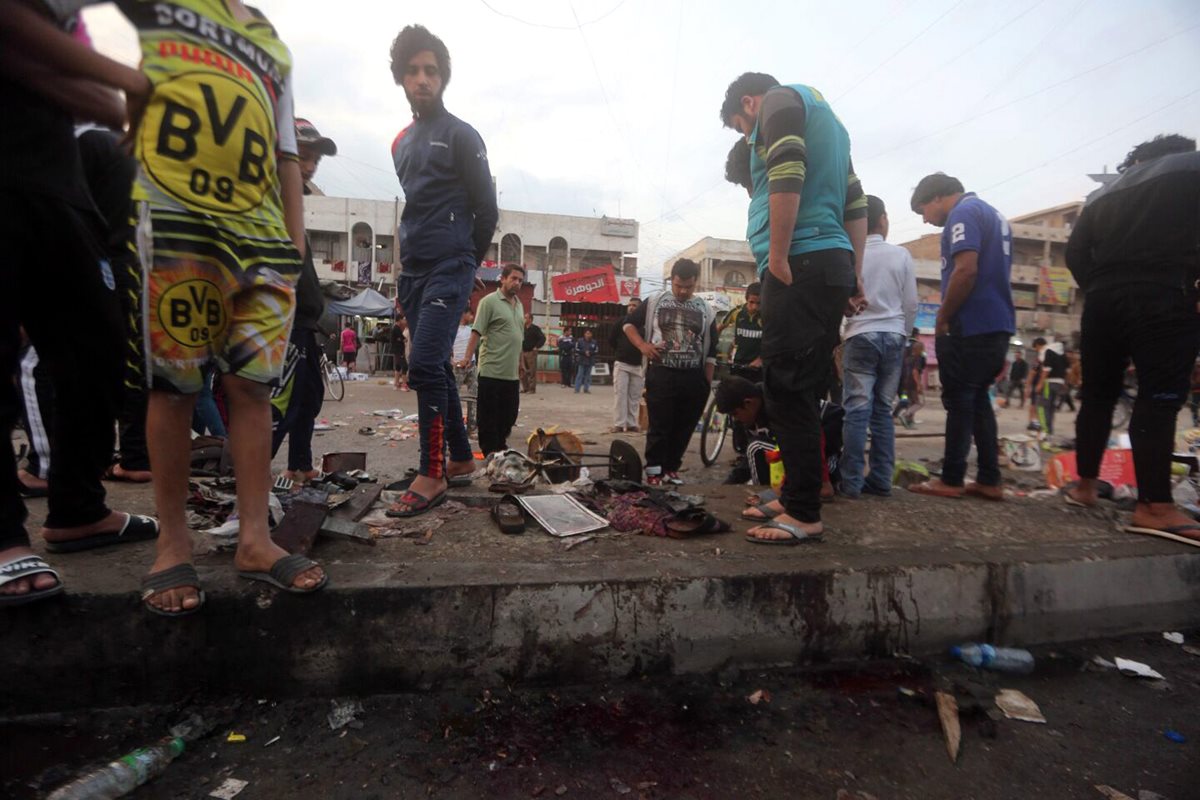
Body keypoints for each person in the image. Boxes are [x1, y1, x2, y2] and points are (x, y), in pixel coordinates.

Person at [13, 0, 331, 611]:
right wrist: (129, 83)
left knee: (253, 388)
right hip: (174, 215)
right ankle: (173, 546)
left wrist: (294, 244)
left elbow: (286, 151)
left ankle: (256, 540)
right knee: (174, 383)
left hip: (259, 231)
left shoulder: (268, 37)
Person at [720, 72, 867, 541]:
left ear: (748, 103)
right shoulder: (832, 124)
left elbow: (787, 165)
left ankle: (804, 512)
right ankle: (795, 495)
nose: (751, 138)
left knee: (784, 389)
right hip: (827, 259)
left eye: (744, 127)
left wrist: (778, 253)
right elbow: (856, 202)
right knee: (799, 385)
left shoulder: (779, 102)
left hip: (799, 260)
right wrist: (855, 272)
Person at [1063, 133, 1200, 543]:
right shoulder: (1192, 167)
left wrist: (1101, 286)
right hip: (1165, 294)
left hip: (1102, 301)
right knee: (1158, 398)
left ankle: (1084, 487)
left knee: (1098, 396)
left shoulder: (1102, 193)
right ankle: (1155, 506)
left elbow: (1073, 253)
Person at [388, 24, 498, 515]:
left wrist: (465, 261)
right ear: (401, 78)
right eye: (413, 71)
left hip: (451, 265)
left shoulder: (461, 135)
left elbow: (487, 210)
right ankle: (458, 458)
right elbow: (414, 204)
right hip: (412, 270)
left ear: (443, 77)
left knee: (423, 365)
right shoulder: (400, 143)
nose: (422, 79)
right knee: (436, 368)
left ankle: (430, 473)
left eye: (431, 70)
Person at [906, 173, 1015, 502]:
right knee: (979, 399)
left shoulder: (963, 214)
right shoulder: (992, 213)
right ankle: (988, 478)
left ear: (938, 197)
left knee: (958, 400)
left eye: (924, 209)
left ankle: (952, 478)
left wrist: (943, 315)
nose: (926, 219)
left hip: (971, 323)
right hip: (997, 322)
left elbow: (966, 269)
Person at [271, 118, 338, 483]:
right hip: (286, 323)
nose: (310, 166)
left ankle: (300, 465)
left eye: (315, 159)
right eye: (303, 156)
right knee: (282, 405)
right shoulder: (271, 203)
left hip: (306, 326)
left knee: (308, 400)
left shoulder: (292, 205)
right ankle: (248, 479)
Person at [839, 195, 917, 499]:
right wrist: (904, 335)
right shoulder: (901, 255)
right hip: (894, 335)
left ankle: (852, 483)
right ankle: (882, 480)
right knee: (883, 411)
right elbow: (910, 303)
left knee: (856, 410)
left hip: (860, 335)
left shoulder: (850, 256)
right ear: (882, 219)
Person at [623, 258, 718, 485]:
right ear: (671, 281)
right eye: (678, 286)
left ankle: (671, 468)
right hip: (662, 374)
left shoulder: (706, 310)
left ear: (696, 283)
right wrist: (643, 346)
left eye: (688, 287)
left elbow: (712, 349)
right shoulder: (656, 301)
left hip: (694, 377)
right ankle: (654, 471)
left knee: (684, 425)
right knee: (660, 424)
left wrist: (706, 382)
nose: (683, 291)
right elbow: (628, 325)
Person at [459, 265, 525, 455]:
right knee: (489, 415)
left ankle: (500, 445)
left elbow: (519, 336)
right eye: (513, 278)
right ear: (502, 279)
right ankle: (490, 451)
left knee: (509, 414)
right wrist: (466, 358)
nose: (517, 283)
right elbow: (476, 331)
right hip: (492, 369)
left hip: (511, 373)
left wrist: (521, 363)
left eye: (520, 280)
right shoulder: (489, 302)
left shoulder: (519, 305)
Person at [717, 282, 764, 483]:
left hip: (757, 369)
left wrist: (761, 359)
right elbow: (719, 328)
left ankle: (755, 449)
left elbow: (773, 340)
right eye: (751, 302)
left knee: (752, 411)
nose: (753, 307)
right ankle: (740, 451)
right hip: (738, 366)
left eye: (758, 303)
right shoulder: (737, 313)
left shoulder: (767, 318)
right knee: (736, 413)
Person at [609, 298, 644, 433]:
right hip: (622, 364)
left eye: (634, 305)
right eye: (629, 305)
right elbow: (611, 339)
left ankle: (631, 424)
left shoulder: (644, 325)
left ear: (640, 309)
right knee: (620, 394)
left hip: (638, 366)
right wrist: (621, 351)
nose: (631, 307)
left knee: (634, 396)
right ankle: (619, 424)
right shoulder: (621, 322)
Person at [1030, 337, 1068, 436]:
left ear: (1038, 345)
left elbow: (1046, 369)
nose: (1038, 352)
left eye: (1036, 349)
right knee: (1051, 408)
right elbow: (1067, 369)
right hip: (1058, 383)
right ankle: (1049, 431)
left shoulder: (1047, 351)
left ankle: (1044, 432)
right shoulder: (1061, 352)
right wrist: (1064, 383)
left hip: (1048, 383)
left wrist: (1039, 384)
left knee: (1042, 407)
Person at [897, 340, 926, 428]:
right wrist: (919, 384)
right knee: (919, 403)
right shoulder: (919, 358)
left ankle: (909, 422)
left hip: (905, 382)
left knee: (910, 402)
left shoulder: (908, 358)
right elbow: (915, 371)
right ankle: (905, 414)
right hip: (913, 382)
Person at [520, 313, 545, 394]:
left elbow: (542, 338)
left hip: (531, 352)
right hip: (523, 351)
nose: (524, 319)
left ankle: (532, 389)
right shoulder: (522, 328)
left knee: (531, 371)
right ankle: (525, 388)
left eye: (526, 318)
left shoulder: (535, 328)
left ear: (530, 319)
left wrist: (536, 347)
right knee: (523, 370)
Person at [573, 329, 599, 394]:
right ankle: (577, 389)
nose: (588, 335)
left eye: (589, 333)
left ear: (591, 334)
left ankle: (586, 389)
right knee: (580, 375)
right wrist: (584, 352)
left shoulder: (594, 342)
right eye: (587, 333)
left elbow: (596, 351)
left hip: (590, 360)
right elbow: (576, 349)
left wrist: (590, 352)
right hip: (582, 360)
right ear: (584, 334)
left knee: (588, 376)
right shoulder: (579, 341)